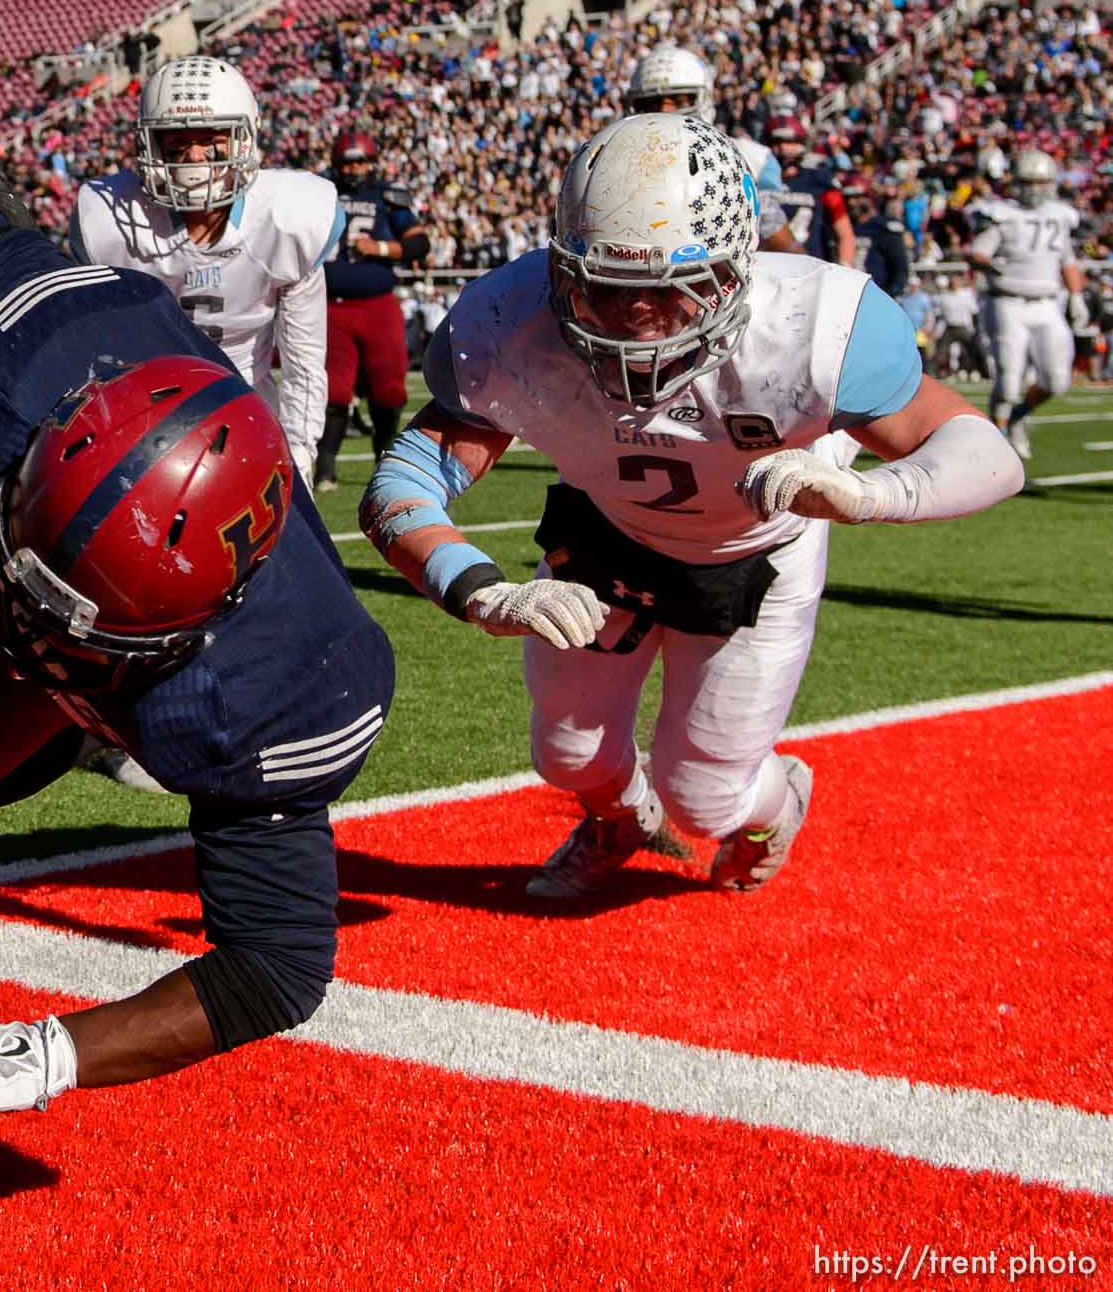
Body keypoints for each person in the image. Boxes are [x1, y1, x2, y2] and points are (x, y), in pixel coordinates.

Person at [0, 116, 394, 1122]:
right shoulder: (52, 359)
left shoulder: (284, 689)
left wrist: (54, 1051)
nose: (32, 612)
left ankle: (69, 721)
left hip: (114, 668)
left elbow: (274, 972)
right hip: (52, 470)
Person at [359, 114, 1023, 901]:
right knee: (566, 754)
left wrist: (871, 492)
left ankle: (773, 806)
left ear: (737, 268)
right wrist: (480, 589)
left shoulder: (810, 325)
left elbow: (986, 454)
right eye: (605, 284)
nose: (633, 315)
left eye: (669, 288)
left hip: (751, 555)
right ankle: (618, 821)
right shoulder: (511, 323)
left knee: (705, 796)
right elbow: (400, 486)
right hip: (606, 538)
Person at [70, 55, 342, 493]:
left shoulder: (289, 218)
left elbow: (304, 360)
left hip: (250, 415)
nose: (195, 158)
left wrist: (300, 453)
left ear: (246, 140)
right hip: (142, 423)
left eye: (212, 140)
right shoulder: (109, 220)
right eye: (177, 144)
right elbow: (96, 350)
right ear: (149, 146)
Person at [312, 128, 429, 494]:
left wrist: (377, 248)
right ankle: (325, 469)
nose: (355, 168)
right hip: (331, 305)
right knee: (334, 389)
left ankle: (384, 455)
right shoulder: (318, 194)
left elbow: (419, 244)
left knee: (390, 388)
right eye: (349, 162)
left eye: (361, 160)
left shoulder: (386, 196)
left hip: (378, 304)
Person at [967, 149, 1089, 460]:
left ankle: (1018, 416)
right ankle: (998, 439)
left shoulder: (1058, 216)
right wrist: (989, 265)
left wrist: (1076, 295)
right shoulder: (1001, 214)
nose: (1035, 189)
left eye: (1041, 182)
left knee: (1057, 380)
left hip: (1047, 304)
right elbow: (977, 253)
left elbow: (1067, 261)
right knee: (1008, 380)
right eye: (1029, 182)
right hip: (1007, 302)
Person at [623, 44, 800, 255]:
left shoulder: (749, 158)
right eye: (651, 102)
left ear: (704, 98)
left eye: (678, 100)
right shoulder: (619, 161)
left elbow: (779, 240)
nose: (664, 111)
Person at [769, 113, 856, 266]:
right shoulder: (759, 181)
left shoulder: (820, 180)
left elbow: (844, 233)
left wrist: (845, 266)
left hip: (810, 268)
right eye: (777, 142)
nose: (783, 148)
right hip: (769, 267)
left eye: (789, 142)